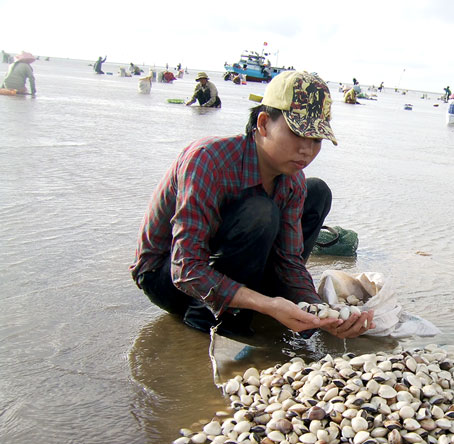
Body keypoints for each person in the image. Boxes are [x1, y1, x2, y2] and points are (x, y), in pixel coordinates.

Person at [131, 70, 374, 339]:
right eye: (297, 133)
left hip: (237, 269)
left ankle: (269, 306)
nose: (307, 149)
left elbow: (290, 261)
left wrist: (318, 311)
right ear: (263, 123)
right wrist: (267, 304)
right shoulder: (207, 160)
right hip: (170, 278)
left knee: (316, 191)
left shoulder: (292, 180)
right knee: (260, 211)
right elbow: (185, 267)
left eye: (316, 139)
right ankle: (210, 319)